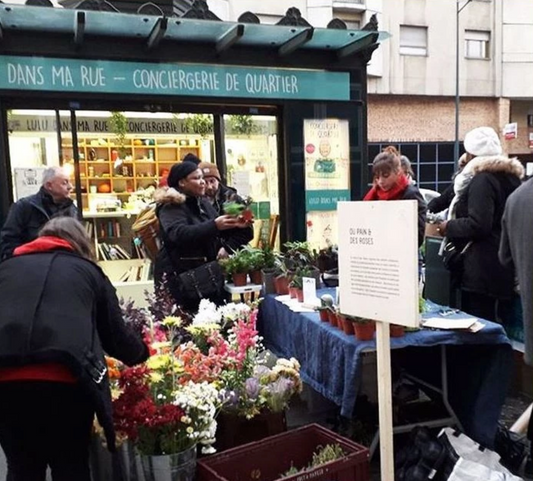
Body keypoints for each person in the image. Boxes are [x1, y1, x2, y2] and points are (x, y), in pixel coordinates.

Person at [0, 217, 148, 481]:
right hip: (65, 380)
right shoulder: (88, 271)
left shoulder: (6, 268)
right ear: (81, 243)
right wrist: (143, 354)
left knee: (22, 466)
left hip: (5, 379)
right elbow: (116, 337)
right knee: (71, 465)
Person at [437, 127, 524, 322]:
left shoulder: (482, 180)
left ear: (472, 154)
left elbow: (479, 224)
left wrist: (448, 227)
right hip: (504, 266)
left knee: (478, 330)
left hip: (481, 271)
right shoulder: (512, 179)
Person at [154, 161, 251, 311]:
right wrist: (215, 225)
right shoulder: (170, 206)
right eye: (198, 178)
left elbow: (233, 229)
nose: (204, 183)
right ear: (182, 182)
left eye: (207, 179)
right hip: (182, 280)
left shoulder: (215, 200)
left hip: (207, 278)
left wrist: (235, 227)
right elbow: (178, 233)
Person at [0, 166, 78, 259]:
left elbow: (78, 242)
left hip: (63, 264)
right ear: (49, 185)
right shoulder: (24, 206)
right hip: (31, 265)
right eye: (65, 183)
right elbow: (8, 242)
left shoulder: (71, 209)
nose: (70, 187)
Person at [364, 147, 427, 247]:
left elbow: (417, 237)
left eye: (385, 175)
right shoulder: (374, 194)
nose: (380, 181)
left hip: (402, 256)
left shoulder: (410, 194)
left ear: (397, 172)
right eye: (377, 176)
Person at [198, 161, 254, 255]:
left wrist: (228, 248)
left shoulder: (232, 199)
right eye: (205, 182)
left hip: (232, 255)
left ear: (218, 180)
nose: (209, 186)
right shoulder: (197, 200)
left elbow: (248, 231)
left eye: (212, 181)